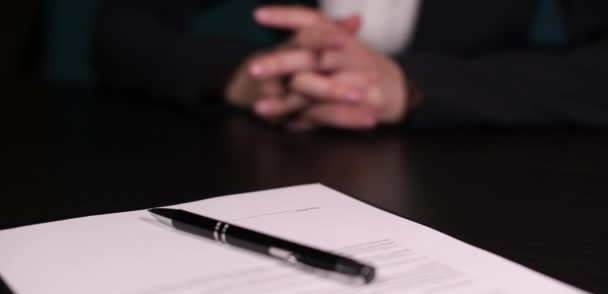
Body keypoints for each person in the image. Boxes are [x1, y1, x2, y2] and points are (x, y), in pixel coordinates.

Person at [92, 0, 608, 130]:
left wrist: (413, 85)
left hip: (489, 162)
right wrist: (245, 75)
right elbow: (117, 28)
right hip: (286, 151)